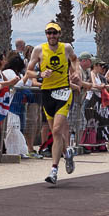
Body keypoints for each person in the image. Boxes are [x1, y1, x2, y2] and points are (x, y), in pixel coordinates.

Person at [26, 22, 80, 186]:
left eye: (54, 33)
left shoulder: (66, 48)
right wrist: (40, 74)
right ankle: (67, 153)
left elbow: (75, 60)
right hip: (47, 93)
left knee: (57, 130)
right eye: (49, 33)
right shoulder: (39, 50)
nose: (52, 36)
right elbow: (29, 71)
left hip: (63, 92)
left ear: (59, 34)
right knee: (55, 133)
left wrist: (76, 72)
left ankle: (54, 170)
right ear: (45, 34)